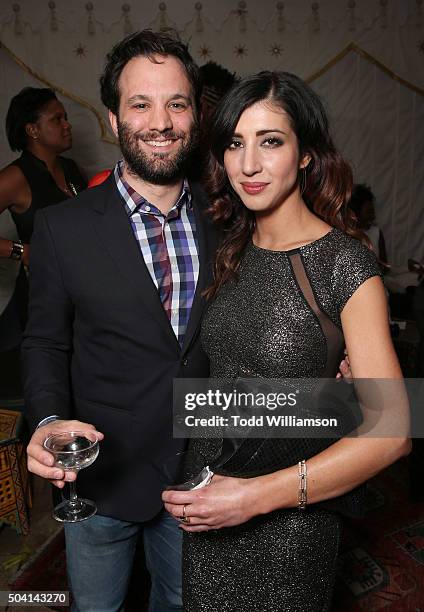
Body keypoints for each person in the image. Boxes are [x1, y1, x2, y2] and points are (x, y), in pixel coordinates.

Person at [162, 71, 410, 611]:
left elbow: (393, 431)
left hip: (287, 526)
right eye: (234, 143)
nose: (247, 164)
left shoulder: (343, 265)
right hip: (207, 505)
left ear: (305, 154)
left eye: (270, 141)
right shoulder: (231, 246)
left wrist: (252, 499)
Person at [22, 30, 216, 612]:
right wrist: (51, 419)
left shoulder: (231, 215)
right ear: (112, 119)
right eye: (141, 104)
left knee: (181, 602)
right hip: (104, 476)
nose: (161, 122)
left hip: (201, 478)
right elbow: (45, 343)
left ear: (195, 116)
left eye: (176, 104)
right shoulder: (63, 228)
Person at [0, 87, 86, 394]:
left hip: (80, 296)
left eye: (65, 117)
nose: (67, 125)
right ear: (32, 130)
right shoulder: (16, 177)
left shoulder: (72, 170)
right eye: (57, 118)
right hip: (41, 299)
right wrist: (20, 251)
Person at [348, 183, 389, 271]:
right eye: (369, 212)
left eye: (373, 211)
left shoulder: (376, 232)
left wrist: (380, 266)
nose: (373, 216)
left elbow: (385, 265)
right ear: (356, 213)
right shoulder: (347, 234)